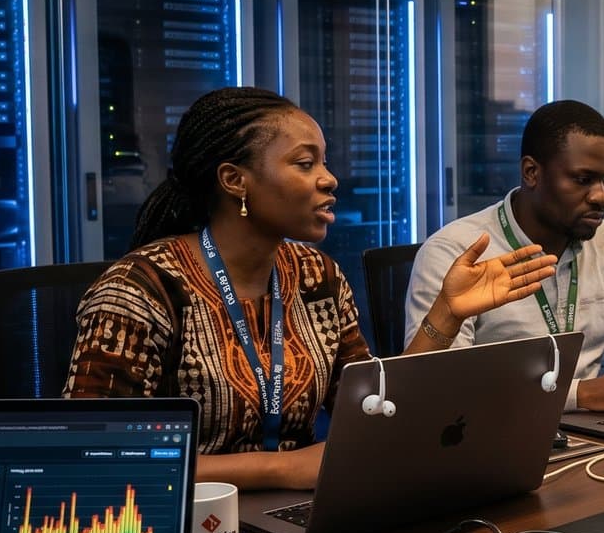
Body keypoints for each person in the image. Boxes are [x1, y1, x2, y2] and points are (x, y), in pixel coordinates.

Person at [64, 87, 555, 490]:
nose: (329, 179)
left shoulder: (316, 276)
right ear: (235, 180)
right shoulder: (139, 291)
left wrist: (448, 314)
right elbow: (95, 454)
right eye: (305, 164)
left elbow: (374, 411)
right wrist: (282, 467)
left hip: (297, 513)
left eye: (324, 162)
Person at [404, 100, 604, 412]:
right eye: (583, 179)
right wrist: (581, 394)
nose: (601, 196)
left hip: (592, 434)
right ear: (531, 172)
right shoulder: (456, 252)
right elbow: (445, 384)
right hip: (494, 433)